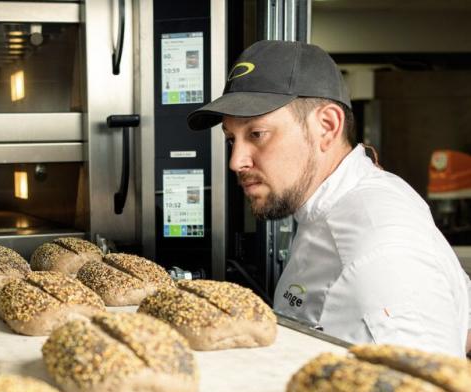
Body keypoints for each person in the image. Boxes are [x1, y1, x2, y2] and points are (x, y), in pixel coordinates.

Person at [187, 40, 471, 358]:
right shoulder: (337, 205)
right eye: (231, 139)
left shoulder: (377, 248)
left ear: (327, 126)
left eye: (257, 134)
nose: (236, 161)